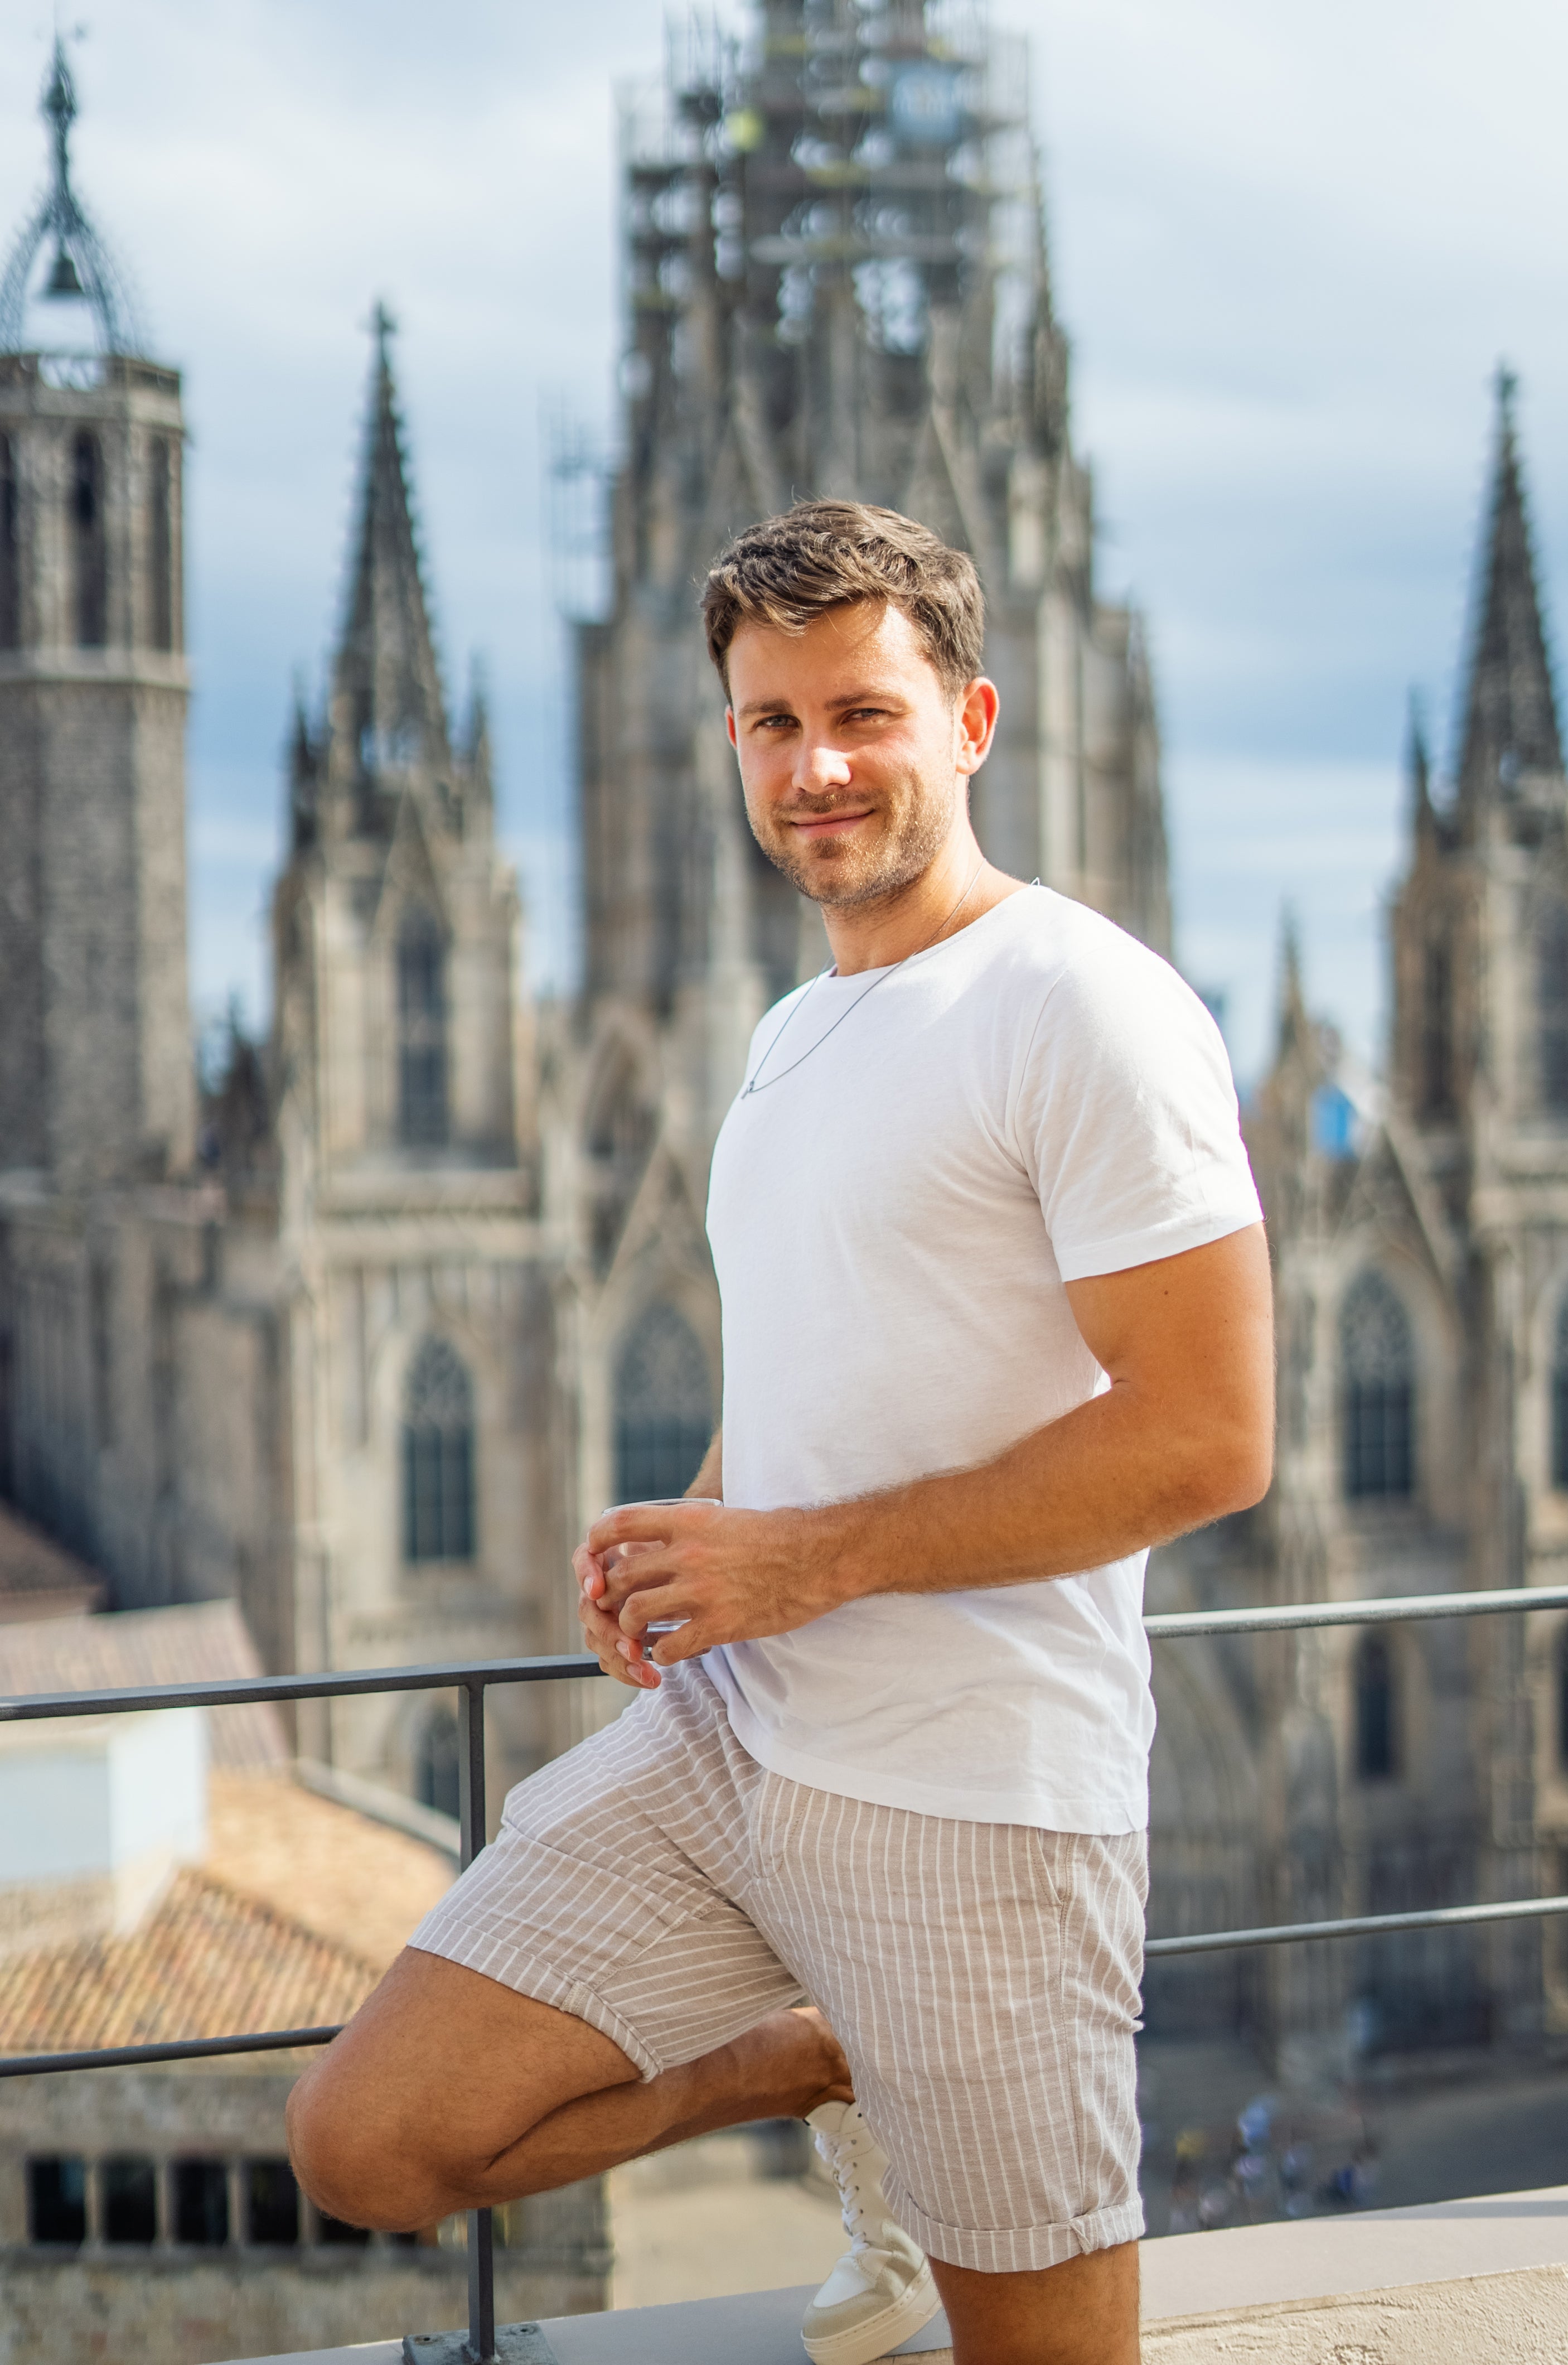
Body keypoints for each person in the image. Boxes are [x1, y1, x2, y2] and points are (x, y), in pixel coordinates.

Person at [286, 500, 1274, 2365]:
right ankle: (822, 2057)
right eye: (770, 722)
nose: (815, 766)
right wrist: (697, 1532)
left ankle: (892, 2063)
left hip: (978, 1802)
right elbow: (819, 1357)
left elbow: (1214, 1440)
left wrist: (807, 1559)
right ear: (728, 743)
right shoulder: (790, 1040)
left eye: (864, 715)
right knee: (373, 2139)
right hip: (734, 1748)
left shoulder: (1089, 1007)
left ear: (972, 722)